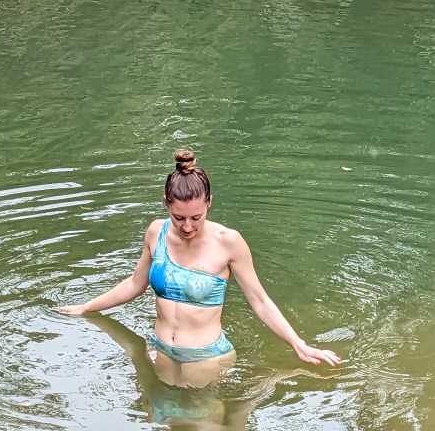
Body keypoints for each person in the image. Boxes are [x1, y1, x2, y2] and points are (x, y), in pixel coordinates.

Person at [58, 149, 342, 388]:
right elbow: (135, 283)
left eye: (197, 216)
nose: (188, 226)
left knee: (198, 420)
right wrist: (86, 308)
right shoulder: (156, 232)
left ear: (209, 203)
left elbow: (260, 300)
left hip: (205, 357)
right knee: (168, 418)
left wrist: (298, 343)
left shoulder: (228, 242)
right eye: (178, 217)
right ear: (166, 204)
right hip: (163, 351)